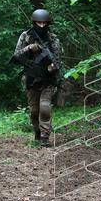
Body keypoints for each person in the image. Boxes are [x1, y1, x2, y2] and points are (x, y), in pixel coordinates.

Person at [12, 8, 62, 147]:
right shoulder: (25, 36)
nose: (41, 25)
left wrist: (52, 67)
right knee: (34, 111)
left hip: (48, 79)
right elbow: (16, 56)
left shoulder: (53, 39)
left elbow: (57, 59)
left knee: (45, 108)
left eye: (44, 23)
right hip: (31, 78)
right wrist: (29, 48)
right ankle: (37, 132)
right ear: (34, 22)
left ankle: (45, 137)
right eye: (39, 23)